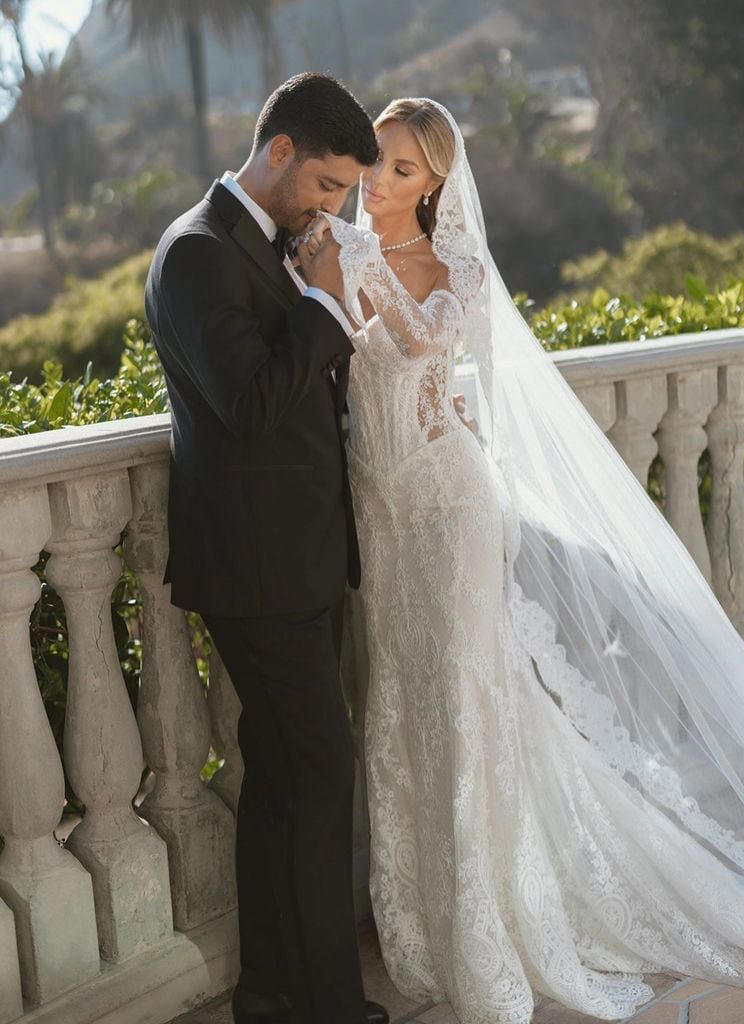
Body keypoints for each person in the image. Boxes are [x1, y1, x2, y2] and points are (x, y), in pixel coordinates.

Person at [300, 97, 744, 1024]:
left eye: (402, 169)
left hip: (449, 506)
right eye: (374, 160)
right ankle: (426, 925)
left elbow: (425, 339)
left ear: (434, 185)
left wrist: (356, 263)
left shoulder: (457, 266)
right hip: (381, 515)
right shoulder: (333, 252)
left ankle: (495, 928)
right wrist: (333, 263)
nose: (379, 181)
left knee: (466, 699)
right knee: (402, 702)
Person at [144, 72, 390, 1024]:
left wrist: (322, 292)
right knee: (321, 771)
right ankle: (332, 1004)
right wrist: (322, 305)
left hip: (305, 557)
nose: (331, 208)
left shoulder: (279, 245)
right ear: (278, 151)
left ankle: (266, 989)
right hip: (256, 569)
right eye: (326, 184)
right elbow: (248, 405)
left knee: (284, 777)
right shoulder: (197, 253)